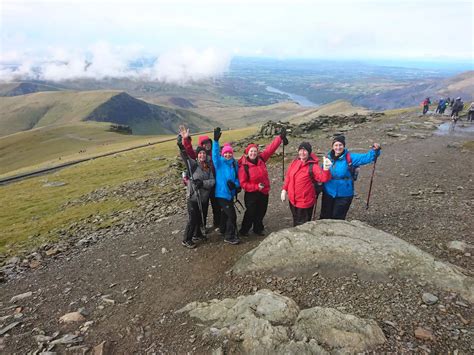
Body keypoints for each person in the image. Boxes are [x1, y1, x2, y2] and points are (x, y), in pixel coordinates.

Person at [238, 128, 288, 237]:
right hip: (251, 193)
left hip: (264, 191)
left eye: (255, 151)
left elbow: (270, 149)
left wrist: (280, 138)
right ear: (247, 153)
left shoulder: (261, 159)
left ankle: (258, 229)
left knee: (261, 211)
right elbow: (243, 184)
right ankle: (244, 230)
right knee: (250, 212)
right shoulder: (244, 166)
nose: (253, 153)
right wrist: (256, 186)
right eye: (251, 151)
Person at [320, 135, 381, 220]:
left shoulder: (350, 157)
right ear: (332, 147)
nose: (338, 147)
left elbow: (367, 158)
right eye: (336, 145)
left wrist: (375, 151)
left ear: (344, 146)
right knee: (324, 216)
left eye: (340, 145)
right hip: (328, 192)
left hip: (344, 193)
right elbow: (321, 172)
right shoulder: (328, 158)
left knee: (337, 217)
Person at [179, 126, 221, 230]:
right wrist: (186, 139)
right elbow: (188, 151)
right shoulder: (199, 155)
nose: (207, 145)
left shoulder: (214, 154)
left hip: (214, 184)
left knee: (216, 206)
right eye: (204, 143)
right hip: (203, 188)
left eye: (208, 143)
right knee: (204, 207)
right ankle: (202, 225)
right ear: (201, 146)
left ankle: (218, 223)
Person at [281, 142, 332, 226]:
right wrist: (284, 189)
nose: (302, 153)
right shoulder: (295, 162)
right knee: (296, 219)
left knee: (303, 224)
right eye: (300, 150)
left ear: (309, 152)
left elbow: (323, 178)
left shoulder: (313, 166)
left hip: (304, 202)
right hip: (293, 200)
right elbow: (288, 177)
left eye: (305, 151)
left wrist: (326, 169)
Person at [177, 136, 215, 249]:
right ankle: (186, 239)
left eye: (203, 153)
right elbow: (185, 157)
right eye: (200, 154)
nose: (202, 155)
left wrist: (202, 184)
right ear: (197, 155)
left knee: (200, 217)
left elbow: (213, 181)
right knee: (193, 218)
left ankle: (197, 234)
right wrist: (181, 146)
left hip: (203, 198)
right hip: (193, 197)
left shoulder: (208, 167)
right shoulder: (192, 165)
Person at [212, 127, 241, 245]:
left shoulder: (234, 164)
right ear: (223, 154)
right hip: (221, 194)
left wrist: (235, 185)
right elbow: (214, 154)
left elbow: (238, 179)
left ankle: (223, 229)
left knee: (225, 213)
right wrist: (215, 141)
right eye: (226, 153)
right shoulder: (219, 163)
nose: (228, 154)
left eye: (229, 152)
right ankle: (229, 236)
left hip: (230, 194)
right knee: (232, 216)